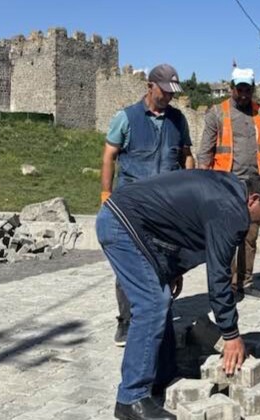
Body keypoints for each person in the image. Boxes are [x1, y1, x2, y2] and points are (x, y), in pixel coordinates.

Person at [97, 170, 260, 420]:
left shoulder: (228, 190)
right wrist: (231, 334)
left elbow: (181, 223)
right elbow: (219, 277)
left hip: (134, 225)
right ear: (254, 199)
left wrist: (171, 269)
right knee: (152, 303)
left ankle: (163, 374)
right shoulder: (232, 210)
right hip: (123, 225)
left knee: (160, 298)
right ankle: (131, 399)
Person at [100, 63, 195, 347]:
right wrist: (106, 195)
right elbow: (109, 156)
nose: (168, 97)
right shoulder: (126, 118)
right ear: (150, 86)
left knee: (165, 260)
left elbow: (186, 156)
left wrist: (190, 183)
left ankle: (160, 316)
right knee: (129, 266)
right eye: (164, 91)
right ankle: (127, 322)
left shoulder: (178, 120)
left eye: (172, 93)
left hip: (167, 207)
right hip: (132, 208)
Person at [197, 67, 260, 300]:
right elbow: (205, 153)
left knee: (250, 236)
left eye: (248, 89)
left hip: (255, 186)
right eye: (240, 89)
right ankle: (224, 284)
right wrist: (201, 184)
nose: (244, 94)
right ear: (231, 88)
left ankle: (244, 282)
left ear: (253, 89)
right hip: (225, 184)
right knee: (225, 236)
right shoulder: (218, 113)